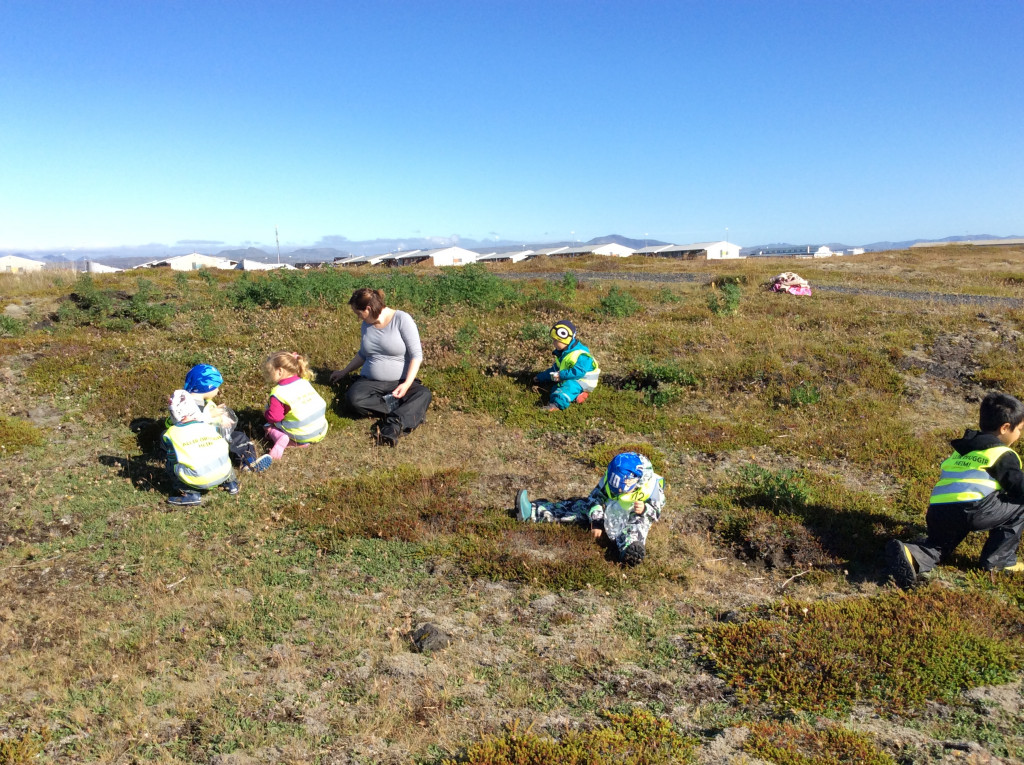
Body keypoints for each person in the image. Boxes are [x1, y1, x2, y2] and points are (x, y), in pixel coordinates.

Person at [886, 391, 1024, 588]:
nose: (1020, 435)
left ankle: (912, 554)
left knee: (939, 546)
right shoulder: (1002, 453)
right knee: (1020, 505)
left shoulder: (962, 450)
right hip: (974, 510)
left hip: (939, 509)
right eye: (1019, 429)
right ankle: (999, 562)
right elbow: (1018, 486)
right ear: (1005, 428)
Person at [515, 452, 665, 566]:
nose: (617, 493)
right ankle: (533, 512)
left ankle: (628, 550)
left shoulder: (652, 486)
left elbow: (656, 512)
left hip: (632, 516)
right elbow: (595, 498)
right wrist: (597, 520)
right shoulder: (613, 476)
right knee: (581, 507)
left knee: (637, 525)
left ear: (635, 480)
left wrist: (645, 509)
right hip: (609, 510)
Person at [329, 288, 431, 446]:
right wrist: (344, 371)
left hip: (400, 382)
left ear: (368, 309)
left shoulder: (402, 319)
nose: (358, 318)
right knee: (353, 399)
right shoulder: (366, 325)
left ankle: (393, 425)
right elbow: (363, 354)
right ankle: (406, 411)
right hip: (371, 382)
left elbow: (416, 355)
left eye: (358, 313)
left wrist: (407, 384)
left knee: (423, 394)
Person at [181, 363, 272, 473]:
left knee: (237, 436)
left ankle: (248, 463)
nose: (218, 390)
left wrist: (219, 416)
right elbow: (190, 425)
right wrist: (216, 419)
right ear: (207, 387)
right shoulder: (188, 405)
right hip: (202, 443)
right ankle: (247, 463)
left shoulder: (195, 401)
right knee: (239, 439)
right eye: (216, 387)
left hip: (208, 440)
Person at [163, 389, 238, 506]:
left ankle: (190, 494)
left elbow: (173, 458)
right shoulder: (208, 425)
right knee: (220, 453)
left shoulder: (172, 433)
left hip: (197, 479)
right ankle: (232, 484)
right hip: (224, 472)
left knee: (170, 463)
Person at [263, 351, 329, 460]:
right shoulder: (304, 382)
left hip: (301, 434)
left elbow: (275, 417)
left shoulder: (278, 392)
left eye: (270, 371)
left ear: (280, 371)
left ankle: (284, 439)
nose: (269, 375)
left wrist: (266, 413)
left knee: (267, 426)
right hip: (321, 430)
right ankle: (300, 442)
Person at [534, 319, 600, 411]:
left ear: (565, 339)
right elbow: (555, 369)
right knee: (555, 388)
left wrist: (560, 375)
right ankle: (579, 395)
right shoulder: (563, 353)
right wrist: (540, 377)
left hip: (583, 381)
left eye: (555, 340)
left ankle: (556, 405)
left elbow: (578, 372)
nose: (553, 343)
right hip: (572, 378)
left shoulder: (581, 354)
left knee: (566, 388)